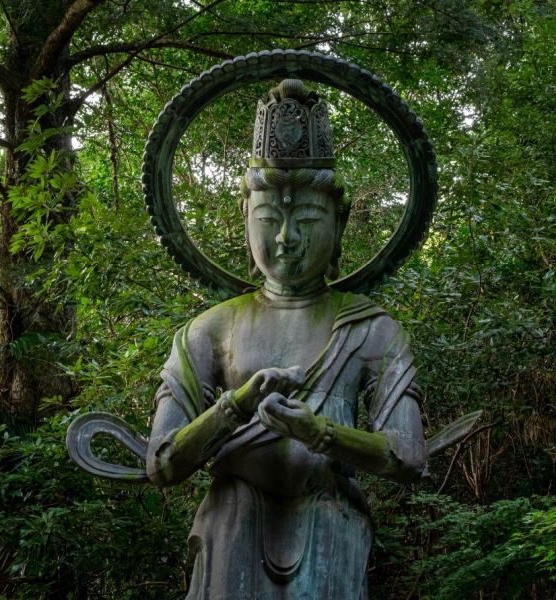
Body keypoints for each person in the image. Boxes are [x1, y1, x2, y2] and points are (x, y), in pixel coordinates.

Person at [145, 79, 426, 600]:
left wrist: (319, 433)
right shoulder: (210, 329)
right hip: (232, 527)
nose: (286, 239)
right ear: (245, 219)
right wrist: (236, 405)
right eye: (269, 218)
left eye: (309, 219)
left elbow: (408, 455)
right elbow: (161, 462)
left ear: (339, 223)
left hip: (328, 522)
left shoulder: (372, 329)